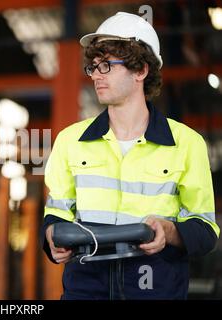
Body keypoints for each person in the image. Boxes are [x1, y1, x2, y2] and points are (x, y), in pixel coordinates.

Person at [42, 12, 220, 300]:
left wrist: (169, 231)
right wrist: (51, 237)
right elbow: (57, 213)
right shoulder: (70, 141)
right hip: (87, 287)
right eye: (93, 66)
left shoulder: (187, 144)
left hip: (154, 286)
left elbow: (205, 232)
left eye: (107, 66)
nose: (96, 74)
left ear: (141, 71)